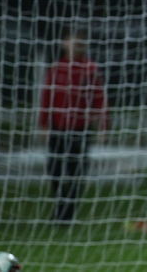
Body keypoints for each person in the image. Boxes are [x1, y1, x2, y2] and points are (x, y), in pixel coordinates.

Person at [39, 28, 109, 223]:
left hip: (80, 128)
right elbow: (46, 98)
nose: (75, 46)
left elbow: (100, 98)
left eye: (79, 43)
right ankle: (62, 205)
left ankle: (67, 212)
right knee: (54, 168)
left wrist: (103, 126)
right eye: (71, 42)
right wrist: (44, 124)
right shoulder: (56, 69)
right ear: (64, 44)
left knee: (75, 170)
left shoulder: (89, 69)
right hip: (58, 127)